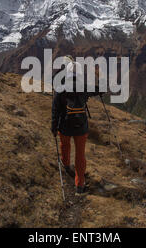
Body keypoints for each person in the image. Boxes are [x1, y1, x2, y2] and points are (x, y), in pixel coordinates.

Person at [51, 59, 103, 196]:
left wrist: (53, 127)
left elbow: (55, 109)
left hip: (64, 126)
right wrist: (98, 76)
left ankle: (65, 164)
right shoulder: (84, 87)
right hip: (81, 127)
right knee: (80, 155)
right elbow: (101, 90)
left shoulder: (61, 88)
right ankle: (80, 185)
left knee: (64, 145)